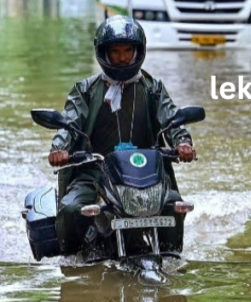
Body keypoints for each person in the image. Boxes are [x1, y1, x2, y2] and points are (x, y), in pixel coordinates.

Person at [48, 15, 196, 255]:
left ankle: (171, 258)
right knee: (71, 208)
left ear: (139, 51)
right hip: (95, 173)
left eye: (128, 50)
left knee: (173, 204)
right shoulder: (85, 90)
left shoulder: (152, 87)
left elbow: (171, 118)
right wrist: (59, 149)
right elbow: (69, 124)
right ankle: (70, 261)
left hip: (144, 174)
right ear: (103, 53)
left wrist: (183, 142)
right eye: (115, 51)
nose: (122, 57)